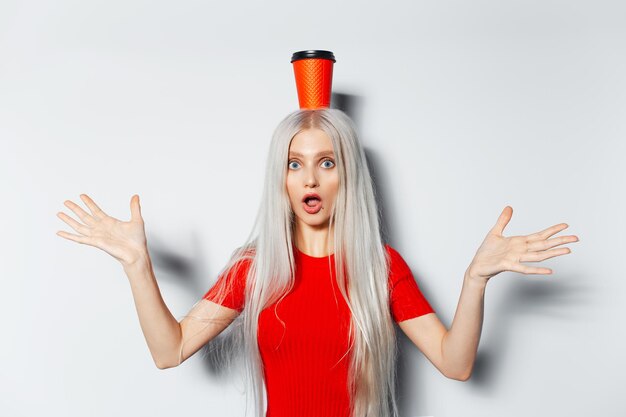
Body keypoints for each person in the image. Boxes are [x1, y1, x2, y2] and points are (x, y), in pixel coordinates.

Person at [56, 108, 579, 417]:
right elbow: (168, 352)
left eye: (326, 163)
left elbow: (456, 363)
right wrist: (136, 265)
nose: (310, 178)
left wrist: (475, 278)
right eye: (295, 164)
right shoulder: (254, 269)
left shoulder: (380, 267)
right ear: (281, 180)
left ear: (345, 174)